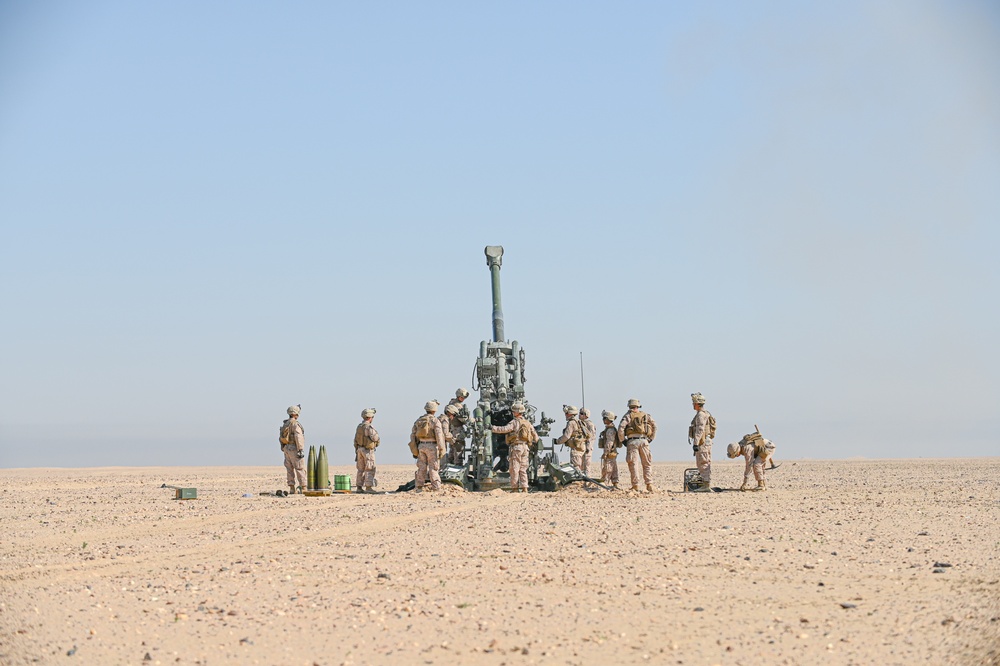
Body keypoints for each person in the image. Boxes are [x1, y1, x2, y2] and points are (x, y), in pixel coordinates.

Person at [490, 402, 539, 492]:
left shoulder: (514, 422)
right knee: (523, 468)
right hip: (525, 448)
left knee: (514, 468)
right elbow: (536, 437)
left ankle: (515, 488)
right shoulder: (527, 423)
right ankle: (525, 488)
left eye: (513, 411)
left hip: (516, 447)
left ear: (516, 412)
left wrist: (492, 428)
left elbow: (504, 429)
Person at [617, 398, 657, 492]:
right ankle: (649, 484)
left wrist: (623, 440)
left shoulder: (628, 416)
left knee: (633, 464)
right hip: (644, 441)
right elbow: (655, 426)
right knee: (647, 463)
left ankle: (635, 486)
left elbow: (621, 428)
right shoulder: (646, 415)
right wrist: (651, 438)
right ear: (638, 406)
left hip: (632, 441)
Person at [410, 400, 446, 492]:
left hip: (421, 445)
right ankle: (436, 487)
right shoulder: (435, 421)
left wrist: (414, 448)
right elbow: (439, 436)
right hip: (432, 446)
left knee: (421, 467)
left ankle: (418, 487)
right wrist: (442, 449)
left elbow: (413, 435)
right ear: (434, 410)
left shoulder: (419, 420)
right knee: (433, 468)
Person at [688, 392, 715, 492]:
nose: (692, 405)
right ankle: (706, 484)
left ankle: (706, 485)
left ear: (697, 404)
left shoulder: (700, 415)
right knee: (705, 462)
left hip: (702, 442)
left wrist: (695, 443)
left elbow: (700, 429)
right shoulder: (706, 413)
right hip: (706, 441)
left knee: (703, 462)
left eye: (693, 403)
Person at [279, 405, 306, 494]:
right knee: (299, 468)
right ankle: (304, 487)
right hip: (294, 448)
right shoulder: (295, 424)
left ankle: (291, 488)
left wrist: (283, 447)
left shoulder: (285, 424)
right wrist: (300, 449)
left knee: (289, 469)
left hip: (286, 448)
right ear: (295, 414)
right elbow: (299, 437)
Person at [353, 408, 380, 493]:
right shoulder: (368, 427)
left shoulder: (359, 427)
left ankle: (359, 487)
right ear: (370, 417)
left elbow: (355, 440)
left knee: (360, 469)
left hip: (359, 450)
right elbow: (375, 438)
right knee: (369, 468)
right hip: (367, 451)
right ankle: (368, 487)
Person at [556, 405, 588, 470]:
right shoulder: (579, 422)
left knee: (576, 468)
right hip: (581, 447)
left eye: (566, 413)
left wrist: (557, 441)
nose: (565, 415)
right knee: (580, 468)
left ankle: (578, 480)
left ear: (570, 413)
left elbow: (566, 436)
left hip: (576, 449)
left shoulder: (571, 423)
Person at [446, 388, 471, 465]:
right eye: (462, 397)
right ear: (458, 396)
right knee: (458, 449)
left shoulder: (451, 402)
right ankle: (458, 467)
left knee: (452, 450)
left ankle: (449, 466)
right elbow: (463, 418)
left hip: (452, 429)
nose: (463, 399)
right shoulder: (457, 405)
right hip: (457, 429)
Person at [597, 410, 622, 488]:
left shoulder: (610, 430)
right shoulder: (610, 428)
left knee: (608, 467)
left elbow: (609, 442)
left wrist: (605, 453)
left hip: (610, 452)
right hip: (613, 451)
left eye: (604, 418)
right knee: (613, 467)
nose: (603, 420)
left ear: (608, 419)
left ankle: (605, 482)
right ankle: (615, 483)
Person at [579, 408, 597, 479]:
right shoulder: (579, 423)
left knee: (587, 463)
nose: (579, 415)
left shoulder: (589, 424)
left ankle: (587, 478)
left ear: (586, 415)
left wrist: (588, 447)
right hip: (580, 447)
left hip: (587, 447)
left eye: (581, 413)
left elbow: (592, 437)